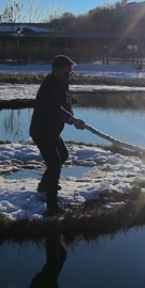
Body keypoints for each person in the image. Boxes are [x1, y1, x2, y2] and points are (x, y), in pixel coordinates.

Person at [30, 55, 87, 216]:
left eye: (70, 73)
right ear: (55, 70)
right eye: (66, 73)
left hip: (52, 131)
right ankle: (52, 207)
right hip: (42, 132)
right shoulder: (49, 86)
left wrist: (73, 117)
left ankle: (44, 185)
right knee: (55, 165)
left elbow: (66, 105)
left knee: (63, 155)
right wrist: (71, 119)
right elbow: (55, 109)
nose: (68, 76)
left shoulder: (62, 84)